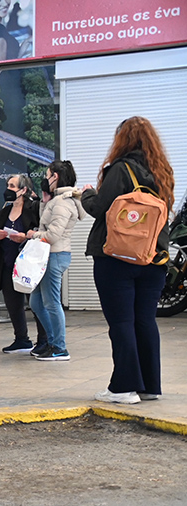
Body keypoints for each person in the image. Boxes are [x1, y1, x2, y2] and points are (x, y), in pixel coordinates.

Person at [81, 117, 174, 404]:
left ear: (122, 140)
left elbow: (99, 208)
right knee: (145, 321)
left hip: (116, 258)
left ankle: (123, 388)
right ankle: (148, 386)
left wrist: (86, 194)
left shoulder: (121, 170)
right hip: (153, 258)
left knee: (121, 321)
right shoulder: (162, 172)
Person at [26, 160, 85, 361]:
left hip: (54, 255)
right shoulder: (56, 200)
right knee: (36, 301)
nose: (45, 179)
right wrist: (44, 200)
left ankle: (60, 347)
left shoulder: (63, 202)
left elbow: (52, 235)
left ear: (55, 177)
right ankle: (52, 342)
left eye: (47, 175)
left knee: (51, 303)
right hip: (47, 255)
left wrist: (32, 235)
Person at [0, 174, 47, 354]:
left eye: (12, 186)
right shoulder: (5, 211)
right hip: (7, 263)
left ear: (23, 190)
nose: (8, 189)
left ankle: (43, 340)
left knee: (36, 303)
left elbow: (40, 233)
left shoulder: (33, 208)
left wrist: (24, 237)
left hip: (28, 265)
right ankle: (21, 338)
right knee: (13, 304)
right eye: (8, 185)